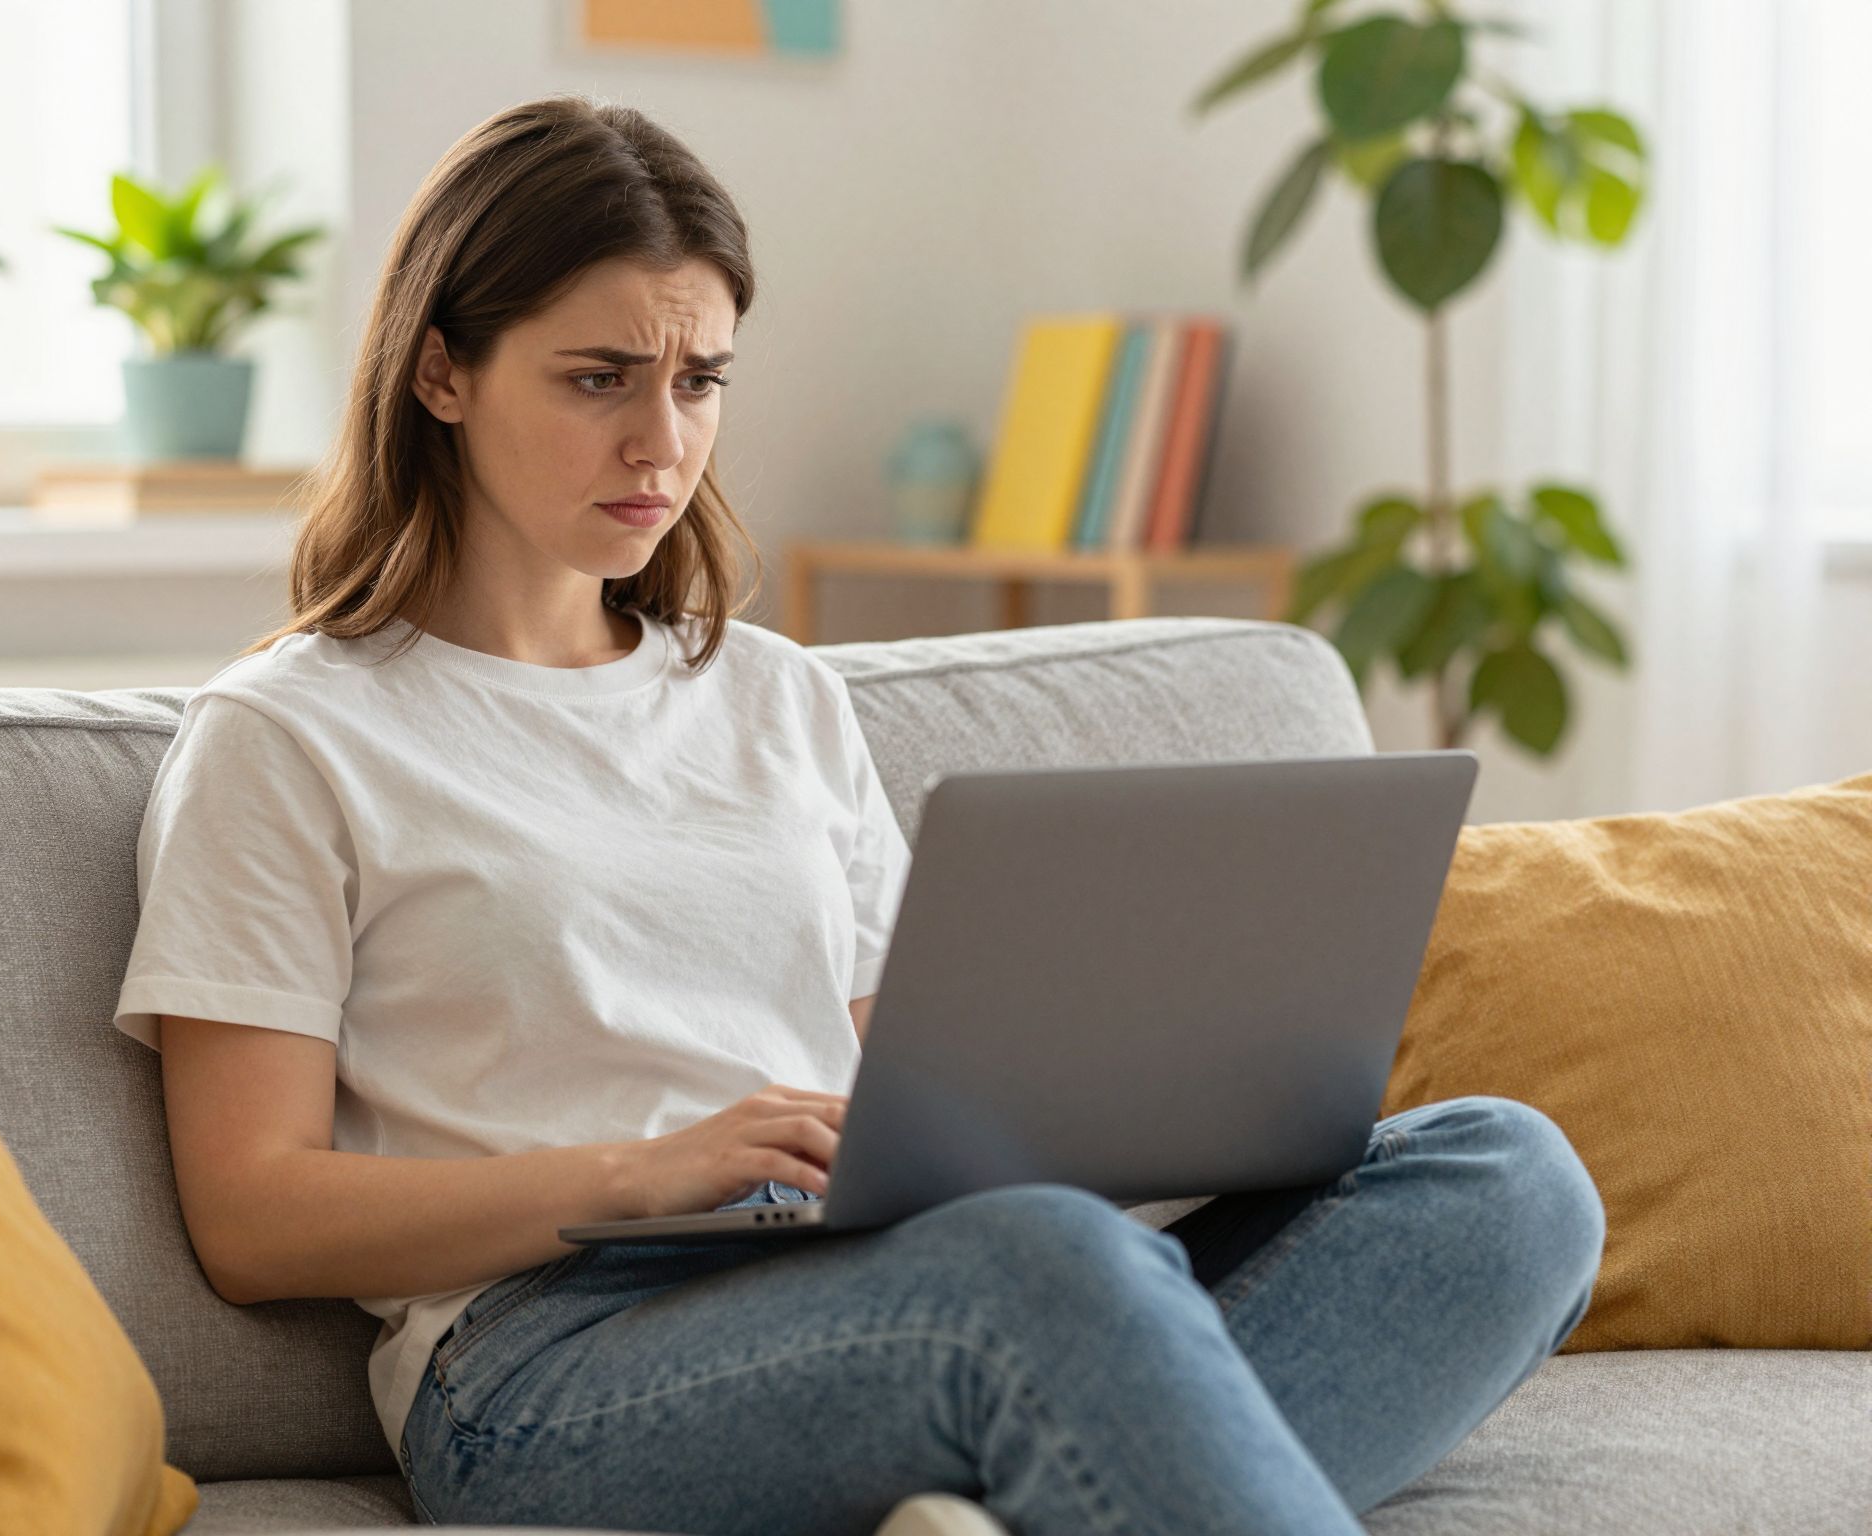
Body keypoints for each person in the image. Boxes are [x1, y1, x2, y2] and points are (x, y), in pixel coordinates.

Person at [111, 93, 1608, 1536]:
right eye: (598, 378)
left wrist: (1126, 1110)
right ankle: (1088, 1435)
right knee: (1043, 1272)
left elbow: (915, 1083)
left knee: (1505, 1179)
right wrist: (645, 1170)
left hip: (883, 1271)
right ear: (441, 373)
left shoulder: (776, 696)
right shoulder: (292, 735)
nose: (661, 442)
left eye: (700, 381)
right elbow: (252, 1219)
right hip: (546, 1358)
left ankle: (1034, 1482)